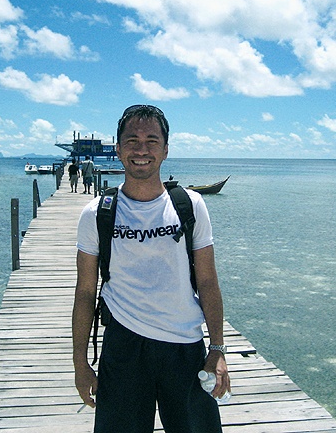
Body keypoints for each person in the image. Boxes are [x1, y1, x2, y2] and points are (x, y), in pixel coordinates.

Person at [72, 105, 230, 433]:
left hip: (185, 348)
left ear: (166, 149)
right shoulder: (97, 214)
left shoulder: (190, 206)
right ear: (117, 149)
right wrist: (79, 362)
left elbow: (208, 281)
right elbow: (86, 292)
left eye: (151, 141)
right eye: (132, 140)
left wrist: (217, 349)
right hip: (123, 347)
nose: (141, 149)